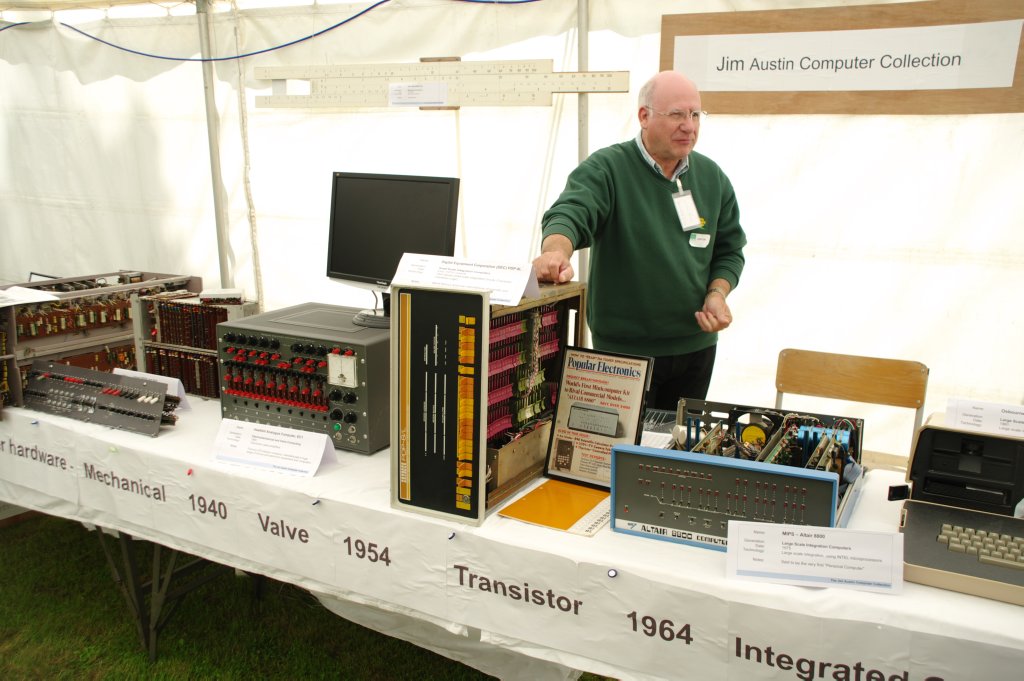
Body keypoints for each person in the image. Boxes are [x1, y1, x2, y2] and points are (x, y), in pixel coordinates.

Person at [532, 70, 746, 409]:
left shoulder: (712, 177)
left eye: (694, 114)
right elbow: (572, 211)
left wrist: (717, 293)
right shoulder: (609, 169)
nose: (689, 125)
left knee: (675, 453)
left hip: (696, 349)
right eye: (676, 114)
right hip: (623, 355)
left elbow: (730, 249)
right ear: (644, 116)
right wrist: (555, 252)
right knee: (619, 455)